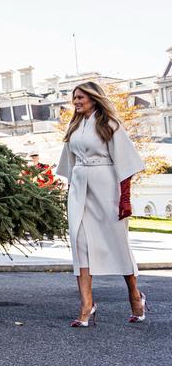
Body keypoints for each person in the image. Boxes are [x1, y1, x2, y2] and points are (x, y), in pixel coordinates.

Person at [56, 81, 148, 327]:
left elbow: (126, 164)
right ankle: (86, 306)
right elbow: (69, 163)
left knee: (117, 243)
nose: (76, 102)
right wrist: (71, 193)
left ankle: (135, 296)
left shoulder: (110, 125)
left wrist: (125, 199)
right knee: (80, 244)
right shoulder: (74, 126)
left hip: (107, 188)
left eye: (81, 97)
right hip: (79, 189)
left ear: (94, 98)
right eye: (74, 98)